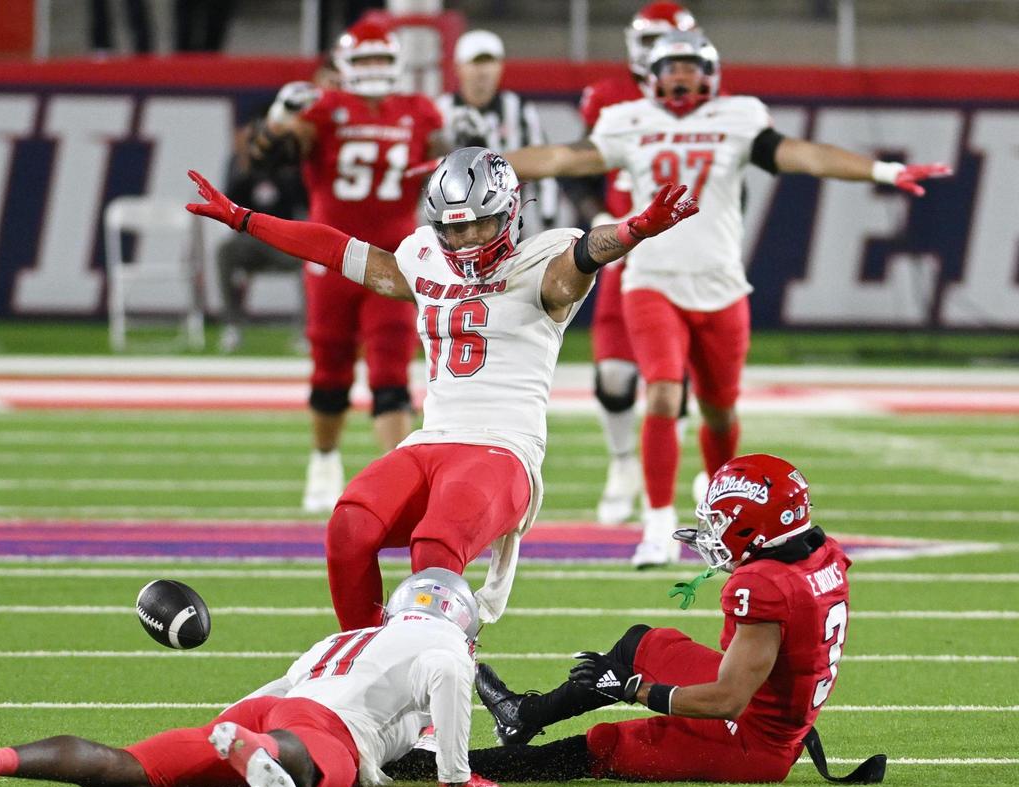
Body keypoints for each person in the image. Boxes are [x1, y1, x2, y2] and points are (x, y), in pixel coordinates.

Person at [185, 148, 698, 631]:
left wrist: (635, 230)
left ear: (511, 213)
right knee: (348, 529)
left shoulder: (543, 264)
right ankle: (364, 666)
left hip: (503, 448)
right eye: (455, 228)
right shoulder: (423, 256)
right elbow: (337, 249)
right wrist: (244, 219)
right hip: (432, 440)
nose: (470, 238)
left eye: (481, 221)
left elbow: (587, 252)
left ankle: (436, 687)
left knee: (435, 546)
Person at [504, 29, 951, 568]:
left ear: (710, 73)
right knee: (664, 394)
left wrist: (883, 170)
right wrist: (483, 160)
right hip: (653, 279)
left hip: (720, 285)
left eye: (690, 66)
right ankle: (658, 521)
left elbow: (802, 155)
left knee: (719, 412)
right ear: (650, 75)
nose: (680, 76)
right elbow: (559, 158)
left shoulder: (738, 117)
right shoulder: (629, 121)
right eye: (670, 66)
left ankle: (721, 516)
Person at [386, 454, 886, 785]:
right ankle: (523, 715)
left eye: (721, 522)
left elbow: (728, 700)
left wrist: (634, 690)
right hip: (768, 708)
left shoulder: (762, 587)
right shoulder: (822, 553)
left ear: (755, 527)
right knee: (643, 642)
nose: (712, 532)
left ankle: (424, 769)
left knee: (600, 746)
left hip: (749, 740)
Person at [0, 569, 499, 787]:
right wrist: (454, 773)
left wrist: (221, 732)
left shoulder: (345, 640)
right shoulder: (445, 647)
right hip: (313, 730)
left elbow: (273, 691)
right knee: (318, 776)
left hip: (274, 711)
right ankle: (257, 752)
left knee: (127, 768)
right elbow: (447, 677)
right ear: (460, 619)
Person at [252, 20, 447, 515]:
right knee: (331, 367)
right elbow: (272, 155)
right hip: (333, 256)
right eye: (365, 62)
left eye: (382, 60)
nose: (375, 71)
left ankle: (397, 478)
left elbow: (448, 167)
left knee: (390, 369)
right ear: (344, 67)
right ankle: (324, 460)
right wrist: (278, 122)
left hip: (394, 259)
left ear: (398, 62)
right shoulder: (325, 106)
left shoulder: (420, 111)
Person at [578, 2, 702, 526]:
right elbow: (582, 174)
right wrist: (597, 217)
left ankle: (661, 483)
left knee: (671, 376)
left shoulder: (708, 103)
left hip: (680, 252)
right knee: (612, 374)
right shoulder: (608, 98)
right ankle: (623, 463)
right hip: (625, 243)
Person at [436, 29, 559, 233]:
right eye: (475, 63)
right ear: (458, 68)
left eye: (490, 62)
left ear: (501, 66)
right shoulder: (440, 111)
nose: (483, 71)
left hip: (510, 224)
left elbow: (543, 164)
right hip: (452, 227)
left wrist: (548, 217)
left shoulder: (519, 109)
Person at [214, 119, 308, 353]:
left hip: (284, 241)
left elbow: (307, 206)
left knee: (314, 262)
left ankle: (307, 329)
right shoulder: (242, 168)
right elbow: (227, 208)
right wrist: (245, 169)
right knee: (224, 252)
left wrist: (290, 170)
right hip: (251, 242)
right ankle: (232, 325)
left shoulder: (291, 170)